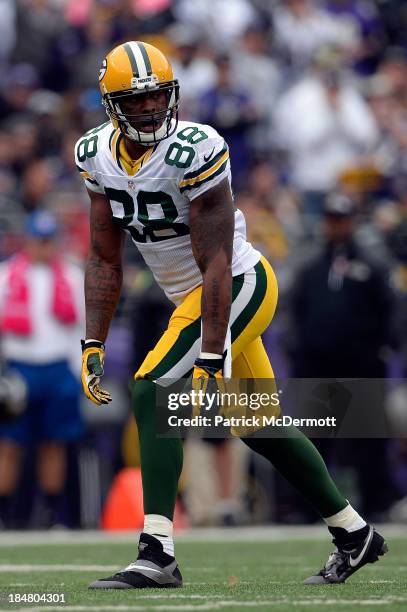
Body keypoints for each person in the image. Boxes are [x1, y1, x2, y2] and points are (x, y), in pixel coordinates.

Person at [77, 41, 387, 589]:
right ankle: (354, 532)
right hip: (194, 297)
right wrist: (92, 341)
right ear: (110, 103)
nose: (149, 108)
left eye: (156, 96)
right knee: (256, 423)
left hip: (236, 284)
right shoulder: (95, 154)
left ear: (171, 95)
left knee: (154, 384)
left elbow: (216, 262)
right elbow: (104, 255)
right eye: (135, 99)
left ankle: (157, 551)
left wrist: (212, 355)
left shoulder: (196, 148)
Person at [0, 210, 84, 528]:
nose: (43, 247)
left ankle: (52, 513)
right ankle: (5, 514)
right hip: (19, 367)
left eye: (49, 241)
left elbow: (81, 329)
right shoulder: (7, 276)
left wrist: (78, 374)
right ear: (28, 241)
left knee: (55, 443)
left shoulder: (72, 278)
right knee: (9, 444)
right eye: (39, 241)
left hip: (58, 368)